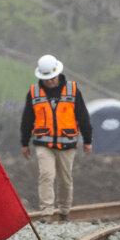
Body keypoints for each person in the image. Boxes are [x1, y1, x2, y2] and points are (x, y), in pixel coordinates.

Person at [20, 54, 92, 220]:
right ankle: (46, 212)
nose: (50, 81)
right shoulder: (34, 93)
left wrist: (88, 140)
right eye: (47, 78)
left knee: (65, 180)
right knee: (46, 175)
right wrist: (24, 143)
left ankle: (64, 210)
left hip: (67, 145)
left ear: (58, 73)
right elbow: (27, 119)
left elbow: (83, 117)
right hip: (43, 144)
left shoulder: (73, 91)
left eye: (52, 78)